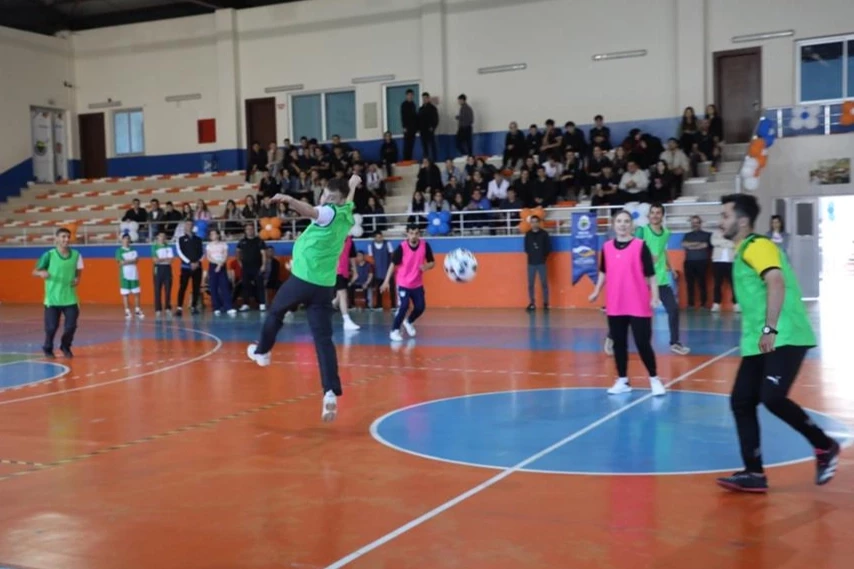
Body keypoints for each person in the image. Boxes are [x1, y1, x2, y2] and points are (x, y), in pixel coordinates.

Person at [715, 194, 840, 492]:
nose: (720, 221)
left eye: (725, 216)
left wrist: (769, 328)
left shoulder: (758, 246)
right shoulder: (741, 251)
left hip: (784, 335)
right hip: (759, 341)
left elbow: (776, 281)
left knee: (771, 397)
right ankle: (754, 473)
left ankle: (824, 446)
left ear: (742, 221)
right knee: (742, 400)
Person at [246, 175, 359, 423]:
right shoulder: (346, 213)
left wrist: (289, 199)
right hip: (324, 287)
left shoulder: (328, 212)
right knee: (323, 340)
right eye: (326, 195)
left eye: (331, 198)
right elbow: (349, 199)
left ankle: (262, 352)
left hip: (303, 280)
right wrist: (353, 184)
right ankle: (330, 392)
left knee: (276, 312)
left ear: (336, 200)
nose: (326, 199)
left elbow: (310, 211)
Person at [588, 210, 666, 396]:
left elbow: (651, 275)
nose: (622, 224)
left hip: (638, 303)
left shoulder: (640, 246)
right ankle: (622, 380)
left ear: (631, 225)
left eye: (626, 221)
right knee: (619, 344)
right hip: (615, 303)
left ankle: (654, 379)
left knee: (643, 343)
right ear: (614, 225)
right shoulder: (607, 247)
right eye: (619, 221)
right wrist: (596, 291)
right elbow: (604, 272)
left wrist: (655, 296)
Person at [636, 203, 690, 355]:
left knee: (673, 309)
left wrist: (671, 268)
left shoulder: (666, 233)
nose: (655, 215)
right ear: (649, 215)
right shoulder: (642, 231)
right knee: (631, 311)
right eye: (652, 212)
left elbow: (662, 251)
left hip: (660, 279)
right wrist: (646, 257)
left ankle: (675, 343)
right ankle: (612, 336)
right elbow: (634, 249)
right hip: (643, 279)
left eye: (658, 213)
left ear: (662, 215)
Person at [32, 227, 83, 358]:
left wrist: (78, 278)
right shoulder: (48, 255)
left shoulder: (76, 255)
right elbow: (34, 271)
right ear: (56, 238)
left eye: (68, 237)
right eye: (63, 236)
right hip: (52, 299)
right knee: (51, 328)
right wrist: (41, 273)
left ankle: (65, 346)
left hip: (70, 298)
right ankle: (47, 347)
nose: (66, 239)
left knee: (71, 326)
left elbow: (78, 270)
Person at [380, 224, 435, 342]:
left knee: (420, 307)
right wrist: (386, 281)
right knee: (404, 306)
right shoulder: (402, 247)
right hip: (403, 283)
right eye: (411, 233)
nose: (413, 236)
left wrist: (426, 266)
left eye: (416, 233)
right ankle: (394, 330)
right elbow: (392, 264)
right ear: (407, 234)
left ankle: (409, 321)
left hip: (417, 283)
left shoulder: (425, 246)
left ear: (419, 234)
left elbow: (432, 262)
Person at [206, 228, 237, 316]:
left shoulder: (223, 244)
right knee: (213, 287)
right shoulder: (209, 245)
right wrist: (217, 263)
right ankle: (216, 307)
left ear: (218, 235)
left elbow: (225, 255)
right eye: (211, 234)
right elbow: (209, 257)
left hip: (222, 265)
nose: (213, 236)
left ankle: (228, 307)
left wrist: (220, 264)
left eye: (214, 234)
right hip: (213, 266)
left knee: (224, 286)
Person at [524, 215, 550, 311]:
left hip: (541, 263)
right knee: (531, 284)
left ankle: (546, 303)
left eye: (536, 222)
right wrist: (532, 255)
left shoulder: (544, 234)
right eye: (532, 222)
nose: (534, 224)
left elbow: (548, 248)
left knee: (544, 283)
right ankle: (532, 303)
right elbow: (526, 248)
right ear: (530, 223)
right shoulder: (528, 234)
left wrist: (542, 257)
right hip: (531, 263)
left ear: (539, 223)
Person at [116, 233, 144, 319]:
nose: (127, 240)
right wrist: (130, 260)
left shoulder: (134, 249)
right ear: (122, 240)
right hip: (124, 275)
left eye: (128, 239)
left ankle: (137, 310)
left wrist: (126, 261)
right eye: (125, 238)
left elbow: (136, 260)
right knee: (125, 294)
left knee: (137, 293)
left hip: (134, 274)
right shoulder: (119, 251)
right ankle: (127, 311)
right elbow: (121, 263)